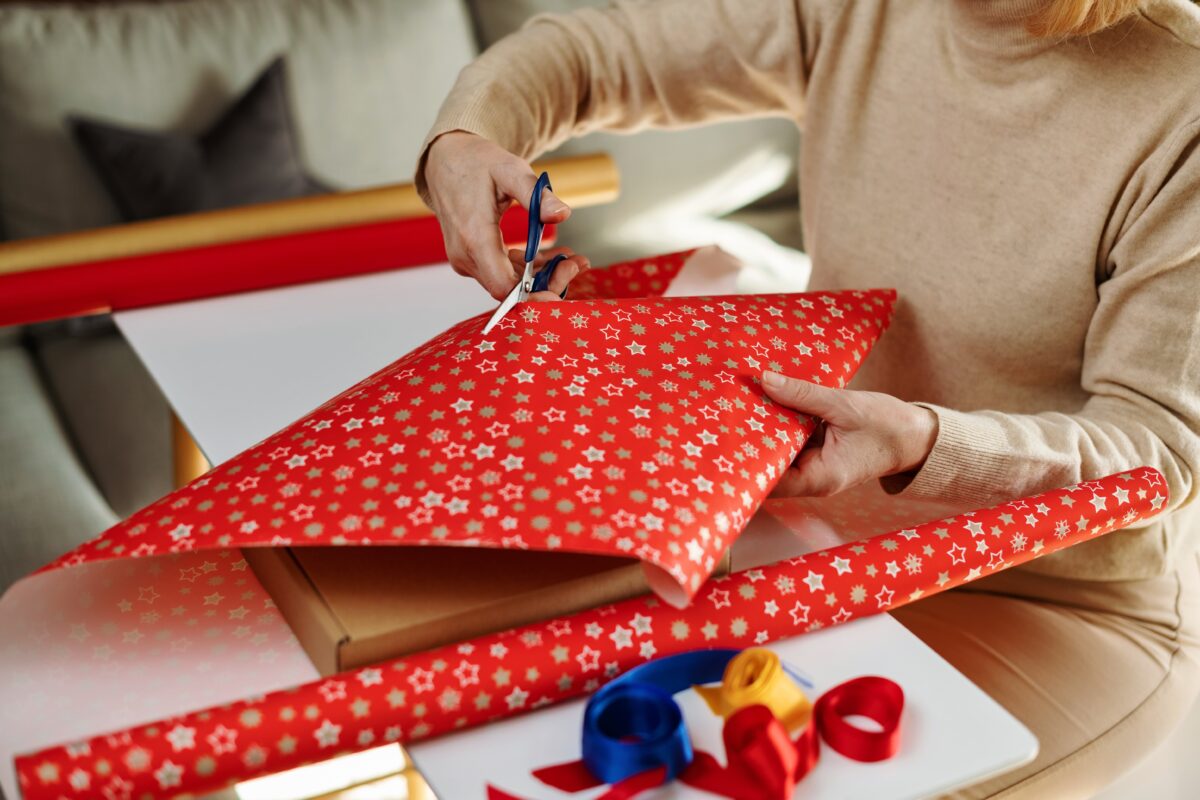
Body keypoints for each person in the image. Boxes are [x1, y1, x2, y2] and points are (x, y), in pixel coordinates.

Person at [416, 1, 1200, 796]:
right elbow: (593, 55)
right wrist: (466, 135)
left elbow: (1159, 447)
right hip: (826, 551)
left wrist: (926, 442)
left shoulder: (1183, 104)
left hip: (1051, 597)